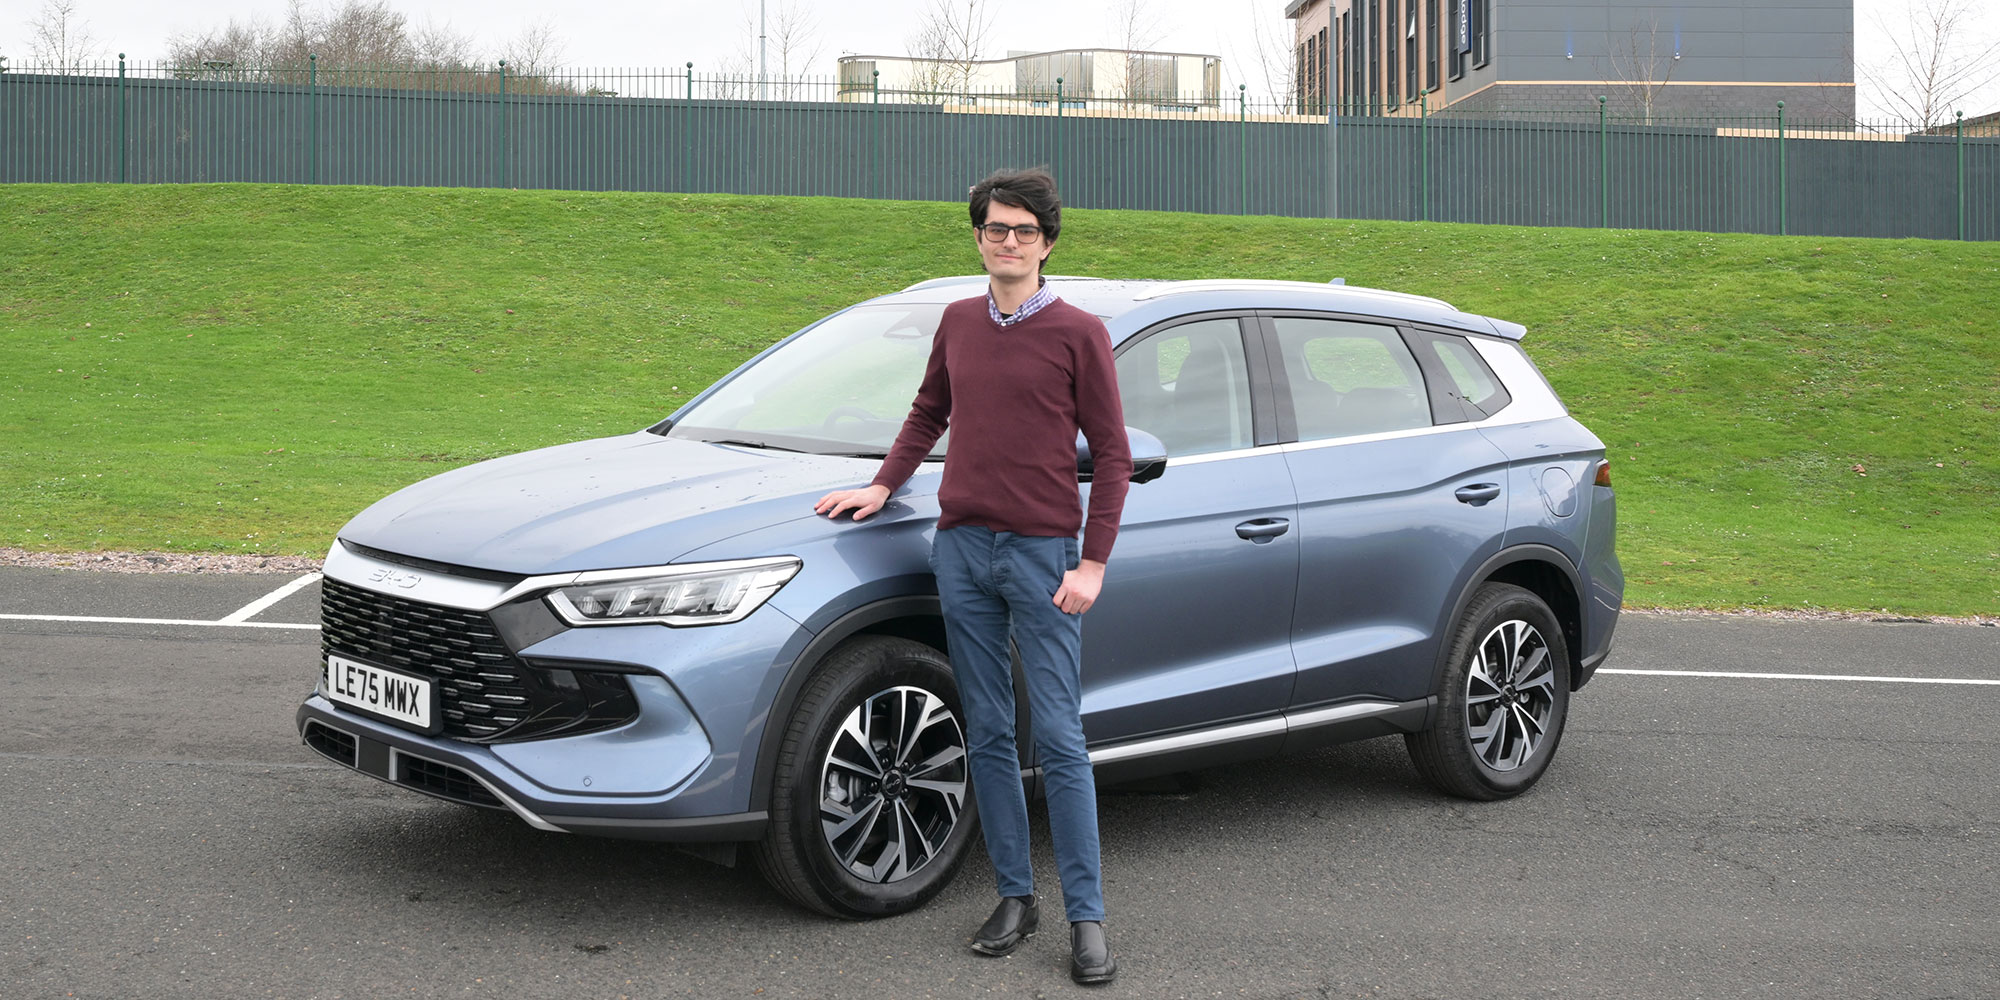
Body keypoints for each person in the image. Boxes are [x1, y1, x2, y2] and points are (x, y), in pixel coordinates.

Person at [813, 167, 1131, 986]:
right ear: (980, 236)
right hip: (962, 550)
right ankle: (1015, 897)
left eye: (1024, 230)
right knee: (987, 730)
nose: (1009, 241)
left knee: (1059, 738)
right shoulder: (956, 321)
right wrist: (883, 485)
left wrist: (1092, 561)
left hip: (1044, 555)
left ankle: (1087, 919)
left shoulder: (1079, 332)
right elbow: (929, 412)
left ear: (1047, 241)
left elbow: (1115, 453)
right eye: (995, 228)